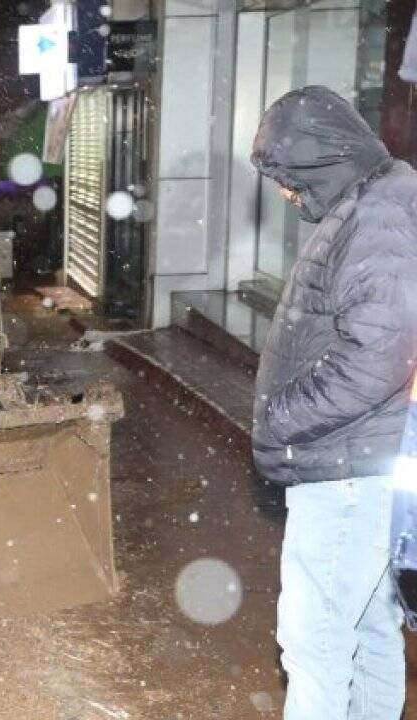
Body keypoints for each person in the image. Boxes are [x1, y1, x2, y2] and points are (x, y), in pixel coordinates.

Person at [250, 85, 417, 719]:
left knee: (314, 641)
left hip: (348, 470)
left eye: (288, 179)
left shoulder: (377, 217)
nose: (286, 195)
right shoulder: (373, 203)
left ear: (322, 161)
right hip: (364, 463)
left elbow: (381, 351)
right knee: (367, 630)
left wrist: (284, 417)